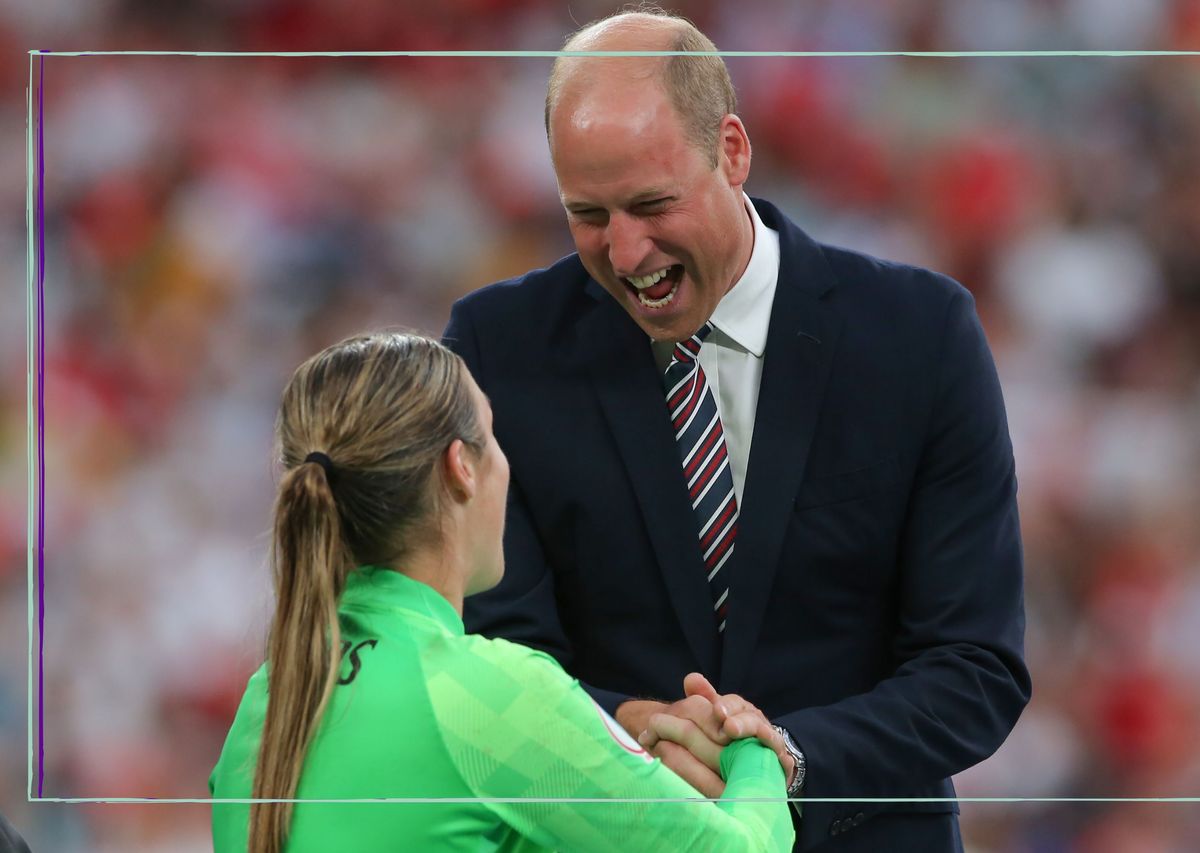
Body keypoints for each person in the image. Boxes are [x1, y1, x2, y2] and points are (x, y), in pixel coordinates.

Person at [444, 9, 1031, 851]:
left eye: (652, 204)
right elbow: (491, 654)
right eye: (589, 214)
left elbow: (975, 667)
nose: (626, 251)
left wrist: (782, 761)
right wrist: (633, 732)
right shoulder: (499, 349)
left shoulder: (918, 336)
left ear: (732, 150)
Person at [208, 332, 794, 853]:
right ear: (460, 466)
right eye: (493, 434)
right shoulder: (485, 694)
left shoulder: (266, 702)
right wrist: (751, 747)